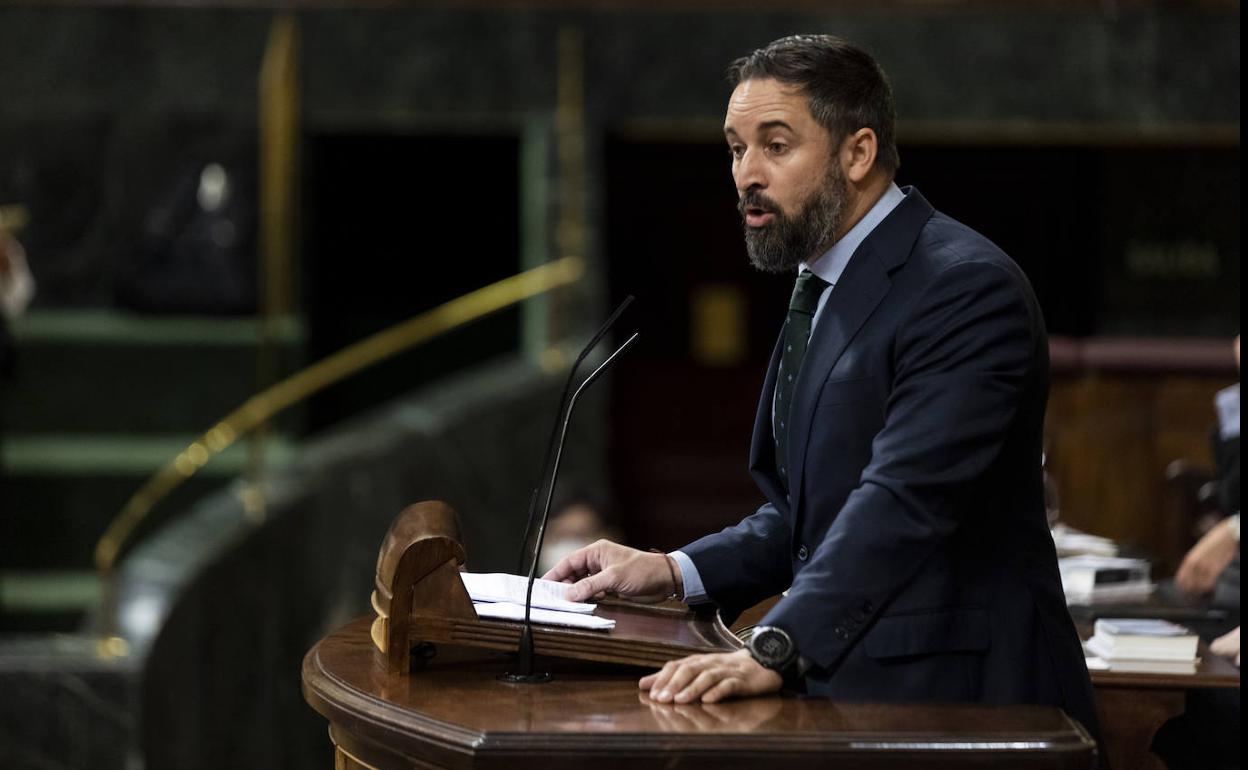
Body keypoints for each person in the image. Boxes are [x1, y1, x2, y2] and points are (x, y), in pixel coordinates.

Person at [544, 34, 1098, 737]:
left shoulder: (962, 287)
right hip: (864, 696)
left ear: (858, 152)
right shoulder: (826, 281)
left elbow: (904, 500)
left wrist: (778, 643)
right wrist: (675, 570)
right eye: (735, 148)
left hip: (971, 704)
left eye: (775, 146)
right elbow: (809, 515)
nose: (746, 173)